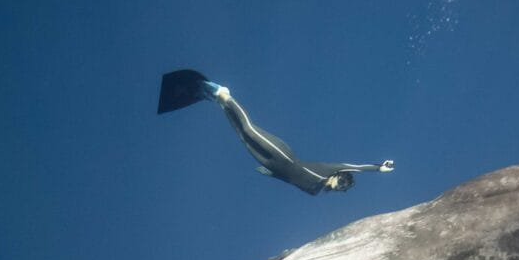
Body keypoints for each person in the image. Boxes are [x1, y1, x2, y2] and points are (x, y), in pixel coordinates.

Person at [158, 69, 394, 195]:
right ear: (340, 177)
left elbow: (290, 180)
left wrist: (271, 174)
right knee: (249, 130)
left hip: (272, 165)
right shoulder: (329, 171)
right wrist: (378, 167)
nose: (338, 185)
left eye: (341, 188)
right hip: (283, 155)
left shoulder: (314, 191)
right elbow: (353, 166)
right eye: (342, 182)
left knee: (241, 136)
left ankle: (218, 102)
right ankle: (224, 94)